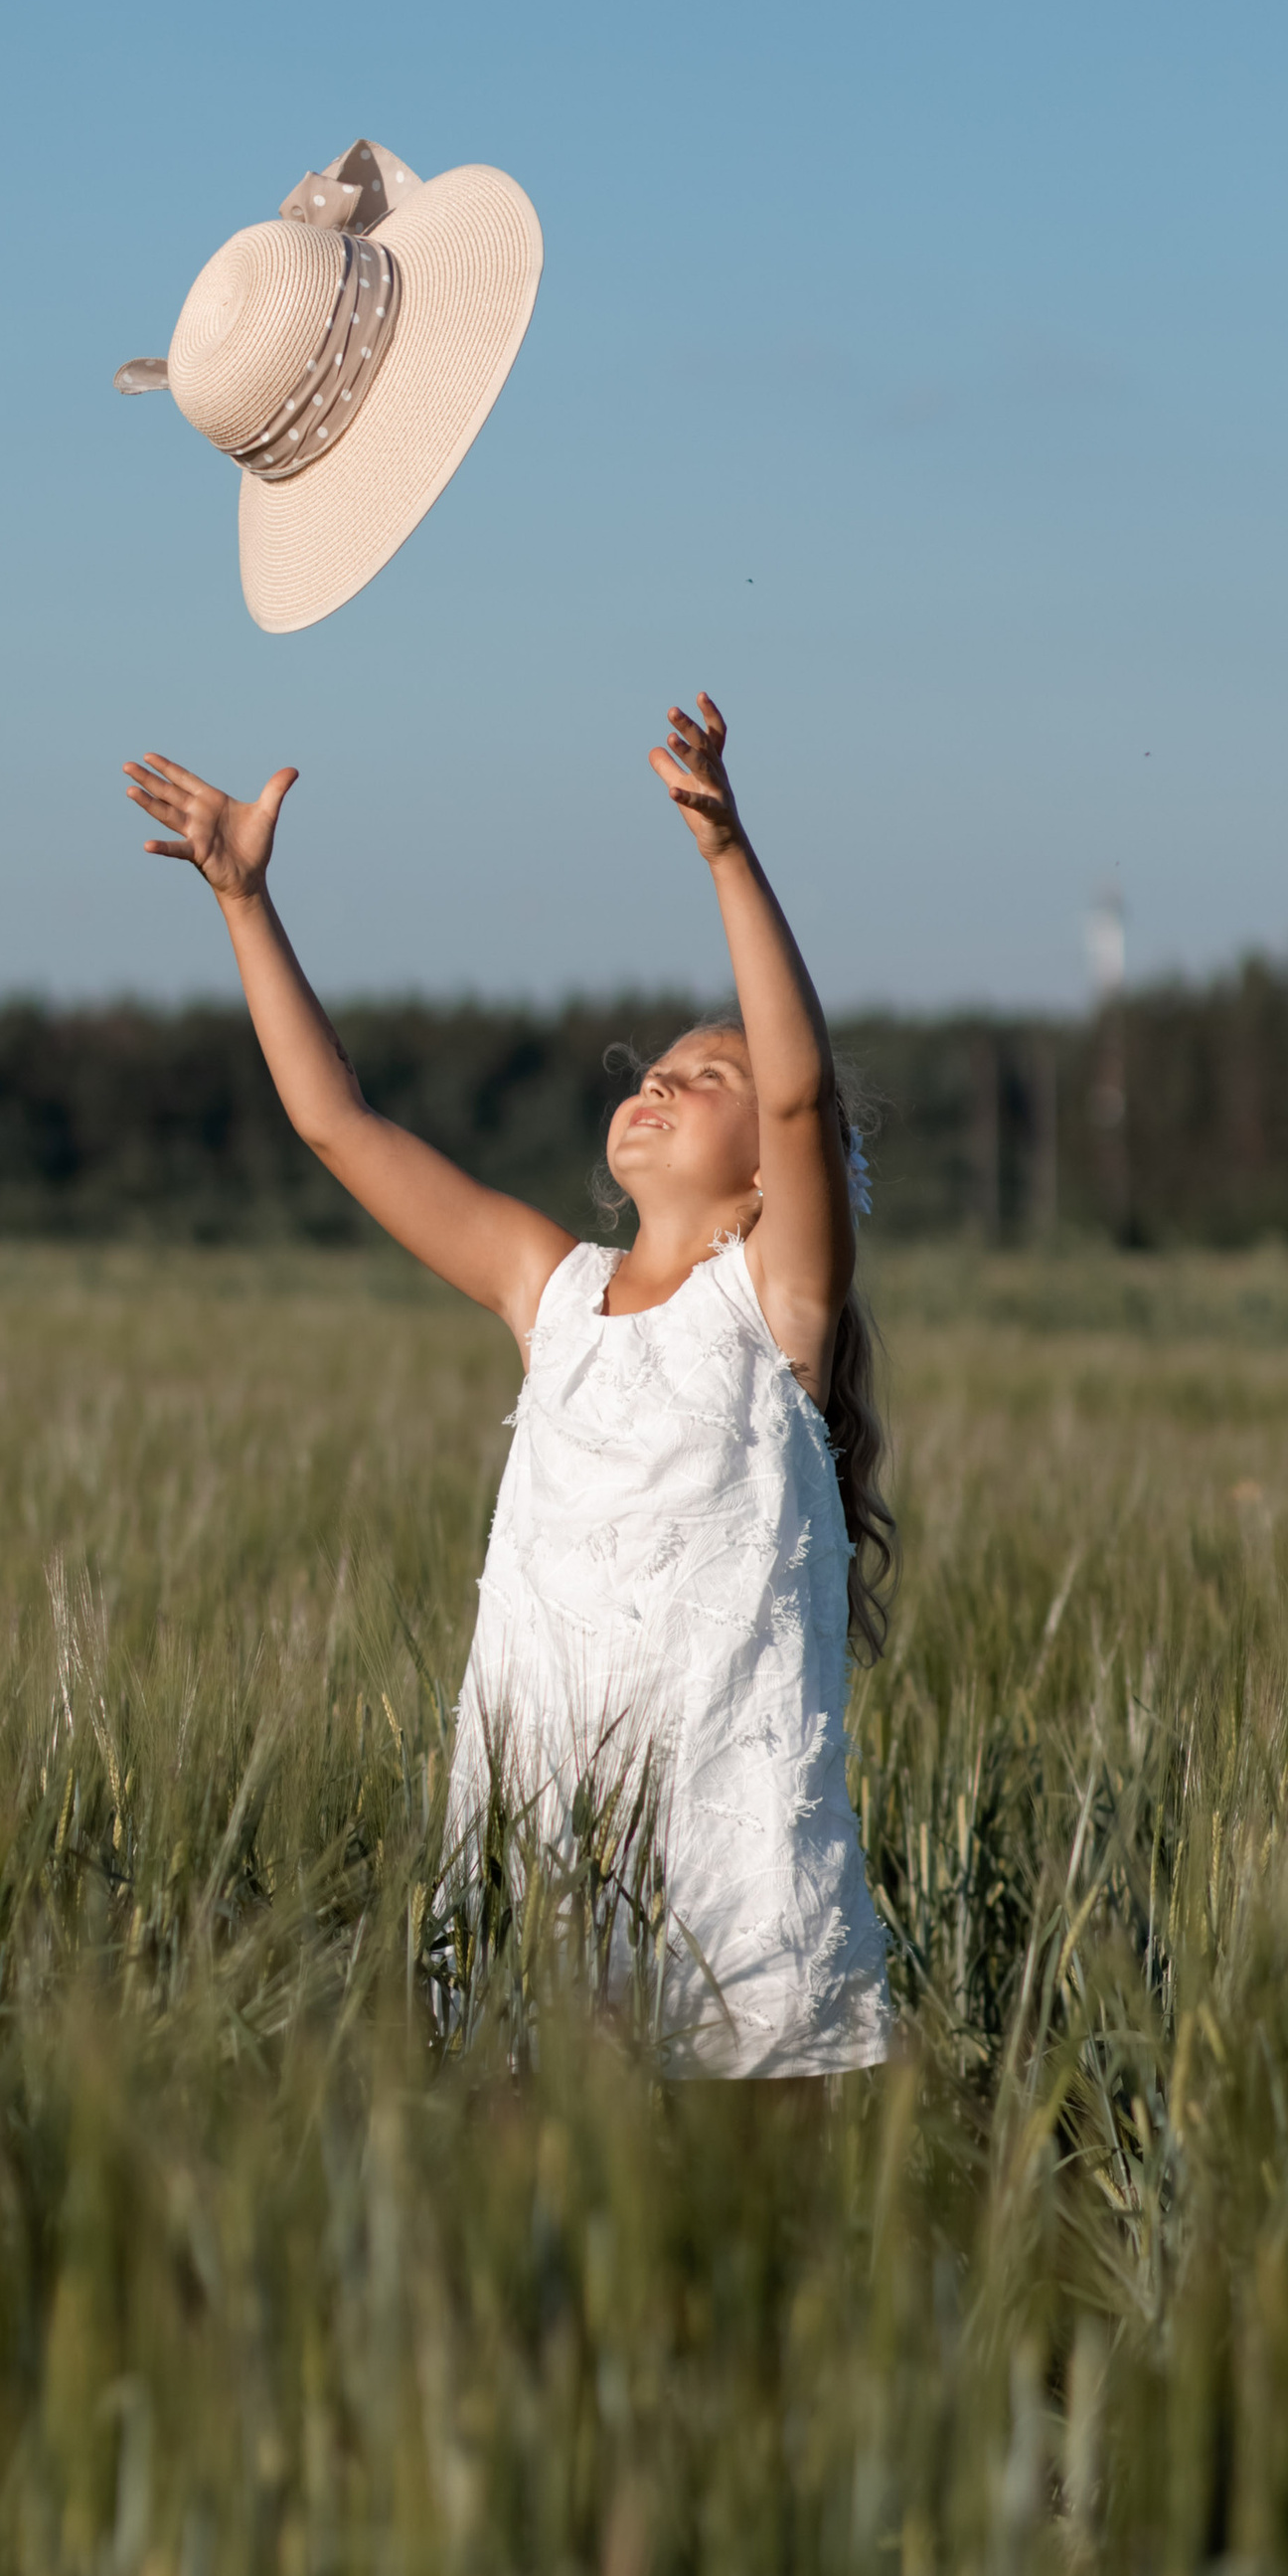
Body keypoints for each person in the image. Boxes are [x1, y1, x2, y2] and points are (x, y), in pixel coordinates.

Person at [122, 694, 895, 2080]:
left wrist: (728, 854)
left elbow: (801, 1093)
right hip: (542, 1833)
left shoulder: (778, 1305)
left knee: (751, 2174)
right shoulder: (552, 1292)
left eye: (707, 1077)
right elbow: (337, 1124)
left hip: (729, 1839)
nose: (662, 1083)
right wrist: (244, 901)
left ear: (775, 1175)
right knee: (527, 2151)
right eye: (656, 1070)